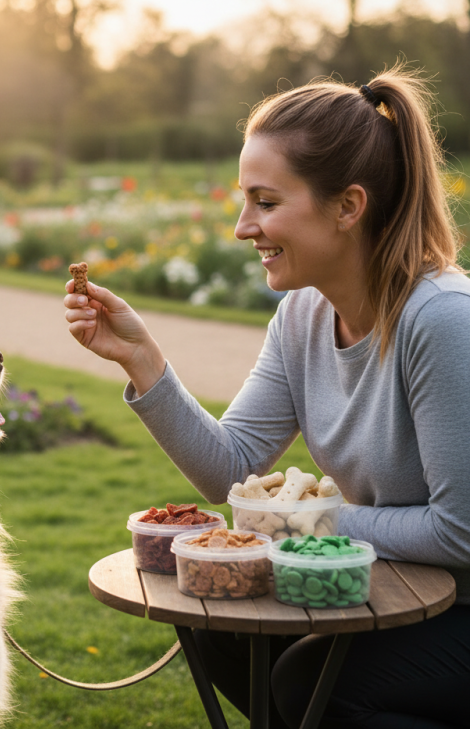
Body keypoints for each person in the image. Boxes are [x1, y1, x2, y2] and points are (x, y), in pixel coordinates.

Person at [63, 63, 470, 728]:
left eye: (267, 201)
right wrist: (142, 361)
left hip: (462, 610)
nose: (242, 226)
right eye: (244, 200)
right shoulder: (304, 317)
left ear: (348, 206)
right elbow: (235, 469)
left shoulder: (444, 321)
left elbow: (461, 532)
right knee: (228, 634)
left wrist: (293, 522)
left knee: (307, 679)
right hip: (402, 587)